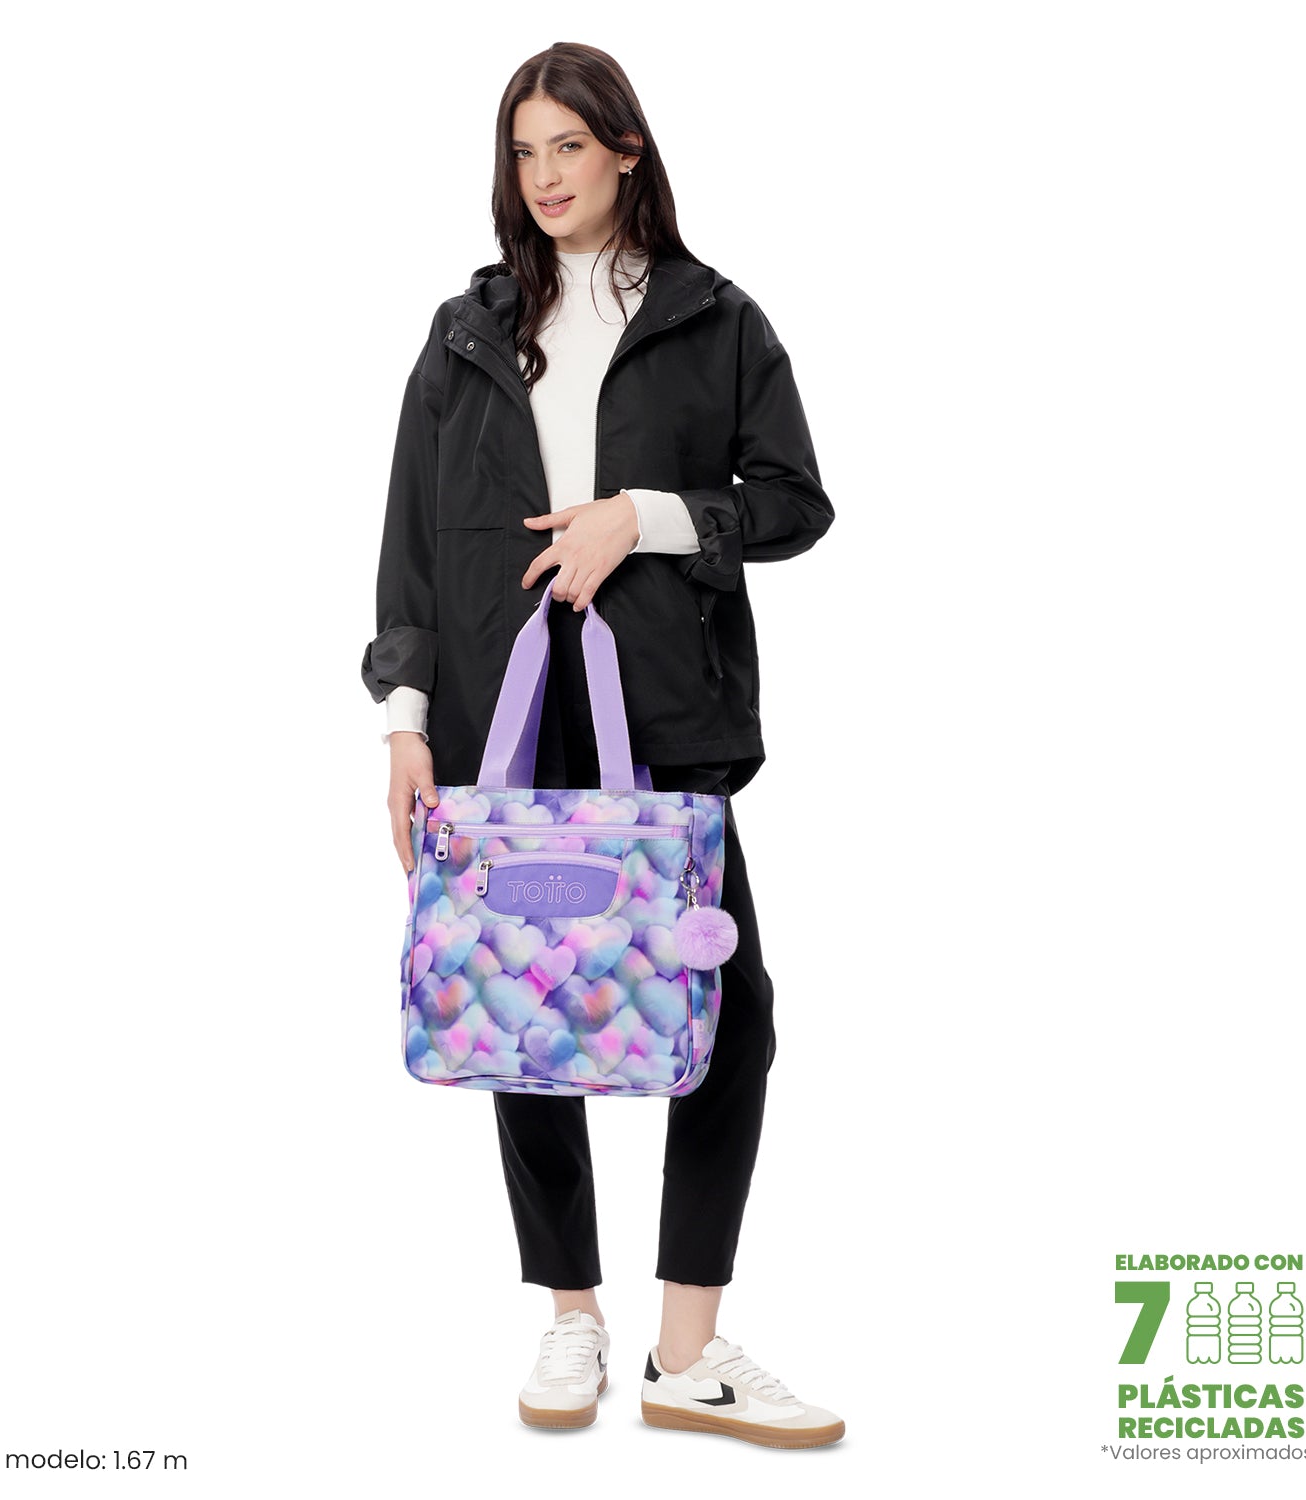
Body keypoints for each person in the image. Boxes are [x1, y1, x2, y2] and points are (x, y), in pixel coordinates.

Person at [362, 42, 842, 1449]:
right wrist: (403, 721)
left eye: (569, 145)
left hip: (664, 706)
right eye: (524, 152)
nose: (545, 176)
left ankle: (686, 1348)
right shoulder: (468, 330)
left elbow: (795, 501)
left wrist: (645, 516)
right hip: (496, 714)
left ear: (628, 150)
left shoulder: (714, 318)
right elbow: (407, 541)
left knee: (728, 1010)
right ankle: (571, 1311)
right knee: (518, 1003)